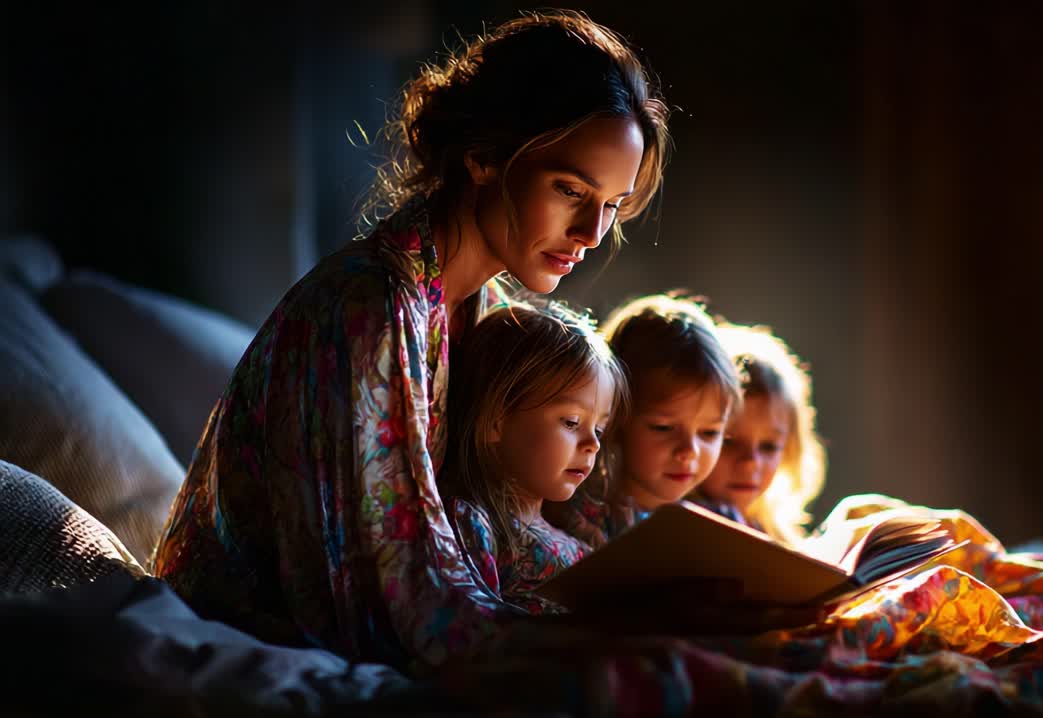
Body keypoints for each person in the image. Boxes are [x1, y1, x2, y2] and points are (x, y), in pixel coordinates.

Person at [150, 9, 670, 676]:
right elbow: (395, 592)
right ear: (483, 155)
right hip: (272, 632)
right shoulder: (365, 309)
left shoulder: (496, 314)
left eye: (613, 203)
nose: (592, 232)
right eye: (570, 189)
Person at [440, 300, 625, 614]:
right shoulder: (472, 525)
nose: (593, 444)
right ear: (496, 420)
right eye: (571, 422)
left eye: (600, 428)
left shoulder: (576, 526)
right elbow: (476, 628)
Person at [546, 293, 739, 548]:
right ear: (615, 418)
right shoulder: (581, 522)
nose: (689, 451)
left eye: (710, 433)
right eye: (664, 427)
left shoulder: (718, 522)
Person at [686, 321, 827, 547]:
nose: (751, 464)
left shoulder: (775, 532)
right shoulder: (680, 526)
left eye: (769, 447)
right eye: (729, 442)